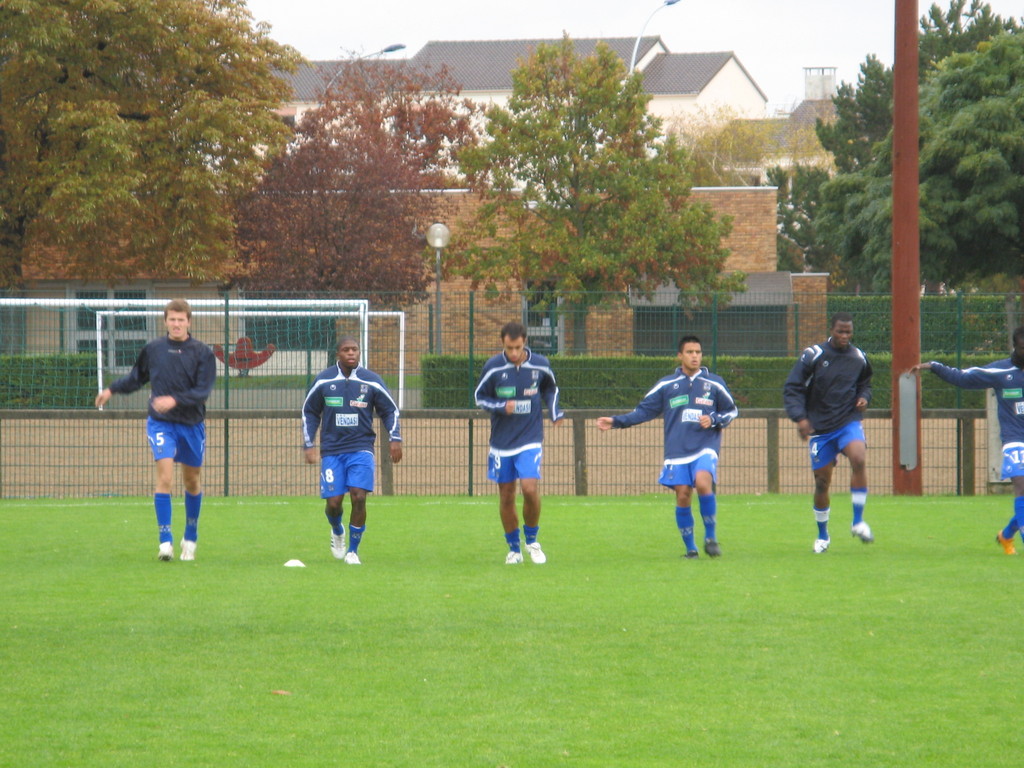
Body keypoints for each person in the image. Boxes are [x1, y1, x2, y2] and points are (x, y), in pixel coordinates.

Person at [95, 299, 217, 561]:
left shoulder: (202, 353)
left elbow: (202, 391)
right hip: (161, 422)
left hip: (191, 424)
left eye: (181, 319)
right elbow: (136, 378)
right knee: (164, 476)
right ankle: (165, 541)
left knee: (192, 480)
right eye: (172, 319)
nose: (176, 324)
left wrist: (175, 399)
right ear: (165, 321)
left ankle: (191, 536)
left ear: (189, 322)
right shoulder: (154, 349)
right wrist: (111, 389)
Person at [597, 335, 738, 558]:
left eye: (698, 352)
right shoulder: (666, 385)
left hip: (705, 444)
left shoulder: (714, 383)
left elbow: (731, 411)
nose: (695, 356)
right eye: (690, 352)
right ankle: (690, 549)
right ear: (680, 355)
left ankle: (710, 537)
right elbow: (643, 412)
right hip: (677, 449)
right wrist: (615, 421)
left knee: (703, 482)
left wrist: (714, 419)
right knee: (683, 495)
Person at [912, 326, 1024, 555]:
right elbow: (964, 377)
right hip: (1015, 440)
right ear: (1016, 346)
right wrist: (935, 367)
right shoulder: (1001, 372)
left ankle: (1006, 535)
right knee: (1021, 485)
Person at [302, 335, 402, 565]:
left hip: (361, 448)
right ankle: (337, 531)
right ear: (338, 354)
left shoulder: (372, 381)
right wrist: (309, 444)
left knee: (358, 497)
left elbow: (390, 410)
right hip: (332, 451)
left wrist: (395, 438)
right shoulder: (323, 381)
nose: (351, 353)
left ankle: (353, 551)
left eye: (355, 349)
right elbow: (309, 411)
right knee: (334, 503)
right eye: (346, 350)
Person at [783, 311, 874, 553]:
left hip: (847, 422)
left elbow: (865, 383)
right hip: (821, 429)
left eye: (848, 332)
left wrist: (864, 398)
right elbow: (792, 387)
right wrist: (801, 418)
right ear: (831, 330)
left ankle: (858, 521)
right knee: (822, 483)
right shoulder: (813, 355)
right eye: (840, 331)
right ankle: (823, 536)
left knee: (859, 458)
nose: (845, 336)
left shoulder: (859, 358)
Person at [474, 321, 564, 564]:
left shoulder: (540, 364)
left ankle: (532, 541)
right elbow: (479, 398)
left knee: (529, 488)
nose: (514, 353)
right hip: (501, 442)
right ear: (502, 344)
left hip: (530, 437)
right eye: (509, 348)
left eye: (518, 347)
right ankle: (514, 549)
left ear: (525, 343)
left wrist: (555, 412)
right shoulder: (493, 368)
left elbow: (550, 389)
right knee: (506, 495)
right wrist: (502, 406)